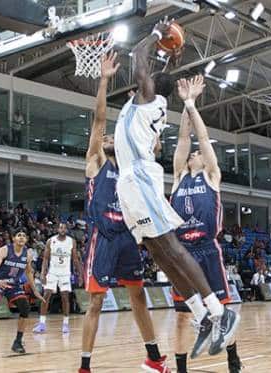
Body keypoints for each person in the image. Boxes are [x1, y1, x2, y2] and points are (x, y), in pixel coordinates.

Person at [114, 20, 239, 358]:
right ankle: (202, 314)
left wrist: (157, 34)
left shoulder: (149, 99)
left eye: (145, 81)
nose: (138, 83)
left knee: (170, 246)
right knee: (157, 252)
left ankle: (219, 310)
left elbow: (138, 54)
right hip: (129, 182)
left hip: (140, 178)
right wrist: (170, 55)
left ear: (150, 87)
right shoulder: (143, 107)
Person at [78, 52, 169, 373]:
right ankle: (85, 366)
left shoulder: (130, 165)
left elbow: (154, 145)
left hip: (129, 236)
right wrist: (103, 80)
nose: (106, 138)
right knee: (97, 303)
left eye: (109, 138)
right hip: (104, 238)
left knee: (138, 296)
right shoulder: (96, 162)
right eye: (103, 138)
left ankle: (154, 357)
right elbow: (99, 120)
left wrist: (144, 110)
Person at [169, 75, 242, 372]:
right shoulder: (177, 178)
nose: (195, 154)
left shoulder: (212, 176)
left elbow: (199, 138)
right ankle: (182, 367)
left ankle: (232, 357)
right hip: (182, 251)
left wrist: (192, 104)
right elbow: (185, 139)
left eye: (198, 154)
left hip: (207, 249)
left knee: (220, 310)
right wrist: (184, 107)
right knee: (181, 316)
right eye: (193, 155)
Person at [0, 230, 45, 354]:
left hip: (14, 285)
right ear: (13, 238)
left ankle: (17, 342)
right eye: (19, 235)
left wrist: (35, 291)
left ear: (26, 239)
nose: (22, 237)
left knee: (25, 308)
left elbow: (28, 272)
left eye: (24, 235)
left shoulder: (27, 254)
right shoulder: (5, 250)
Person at [33, 223, 77, 334]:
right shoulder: (50, 241)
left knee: (65, 298)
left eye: (65, 228)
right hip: (52, 272)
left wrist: (80, 274)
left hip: (65, 273)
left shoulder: (71, 241)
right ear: (57, 229)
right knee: (46, 296)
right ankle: (42, 324)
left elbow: (75, 259)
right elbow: (46, 259)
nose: (62, 229)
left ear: (67, 229)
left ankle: (66, 324)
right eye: (61, 227)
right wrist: (43, 273)